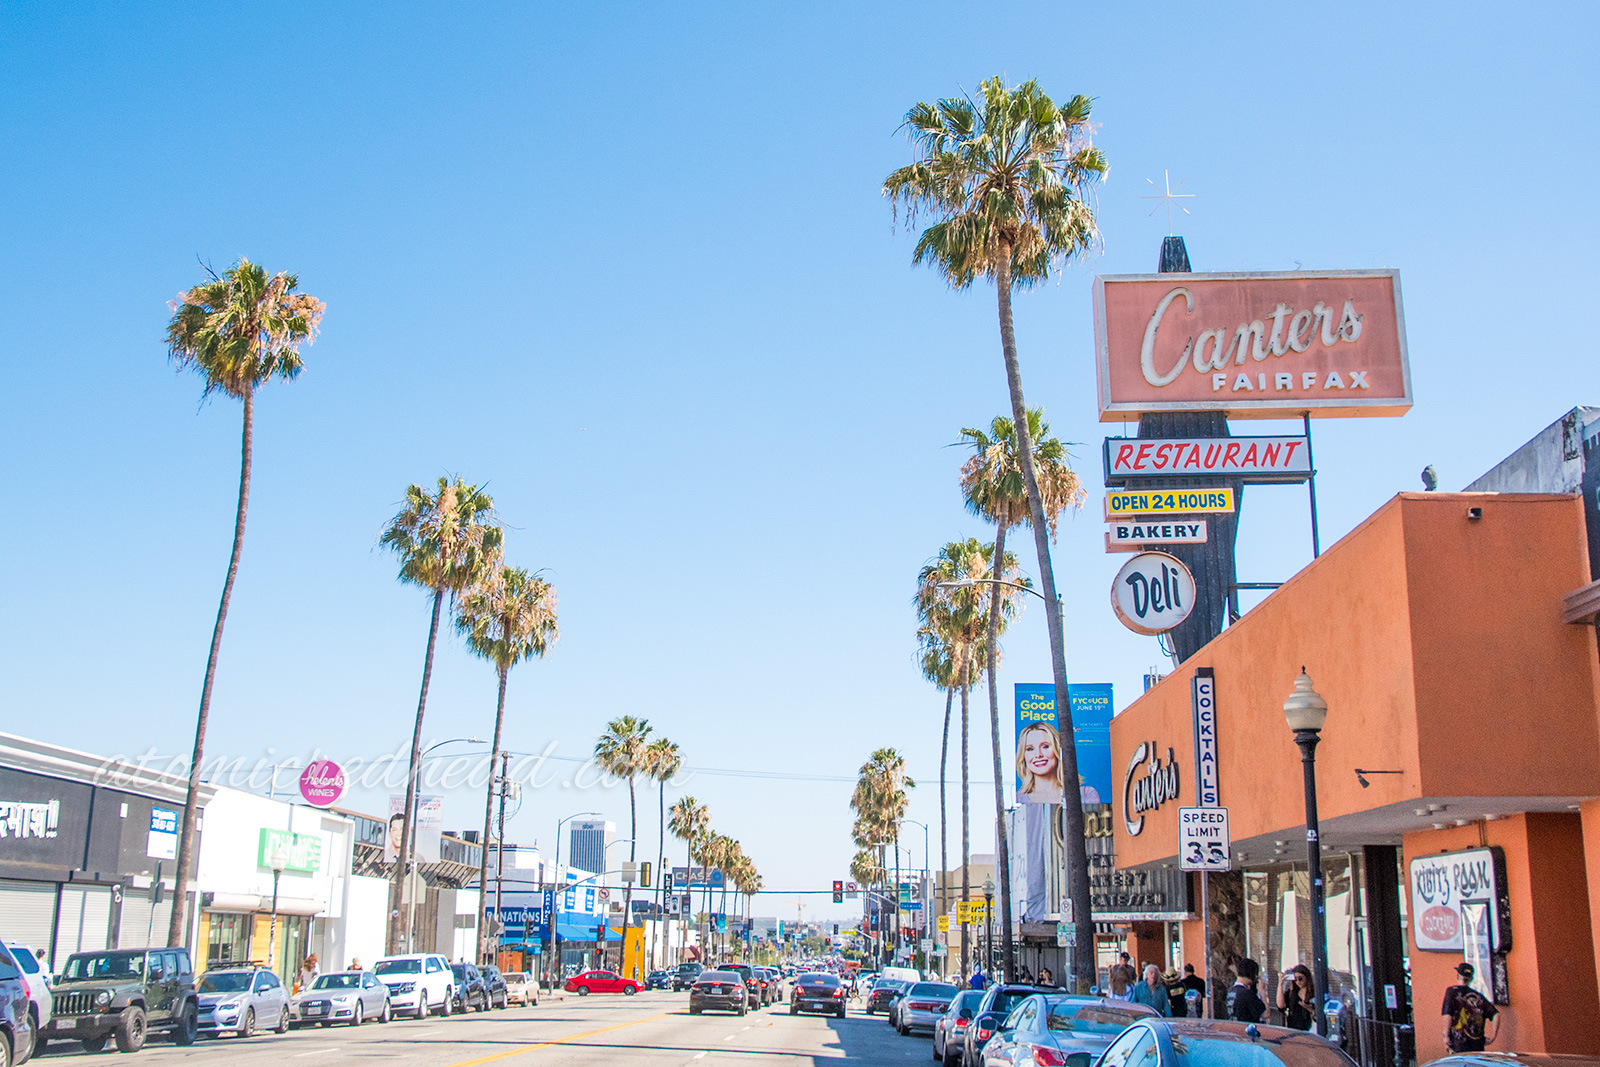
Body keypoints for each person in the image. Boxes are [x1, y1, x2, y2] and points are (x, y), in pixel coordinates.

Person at [1442, 963, 1498, 1052]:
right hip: (1477, 1045)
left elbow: (1447, 1014)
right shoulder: (1478, 997)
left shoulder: (1452, 991)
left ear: (1458, 976)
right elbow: (1496, 1014)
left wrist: (1446, 1036)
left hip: (1458, 1044)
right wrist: (1492, 1038)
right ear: (1471, 979)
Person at [1016, 723, 1065, 804]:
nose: (1038, 755)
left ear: (1057, 749)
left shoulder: (1085, 794)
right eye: (1030, 749)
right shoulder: (1021, 798)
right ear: (1023, 755)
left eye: (1045, 746)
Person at [1227, 958, 1266, 1023]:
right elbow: (1265, 1014)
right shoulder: (1247, 994)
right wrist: (1262, 992)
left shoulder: (1231, 991)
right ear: (1251, 975)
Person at [1277, 964, 1314, 1030]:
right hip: (1293, 1028)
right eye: (1295, 979)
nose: (1298, 982)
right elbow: (1281, 1005)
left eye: (1300, 978)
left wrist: (1309, 1008)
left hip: (1310, 1029)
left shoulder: (1313, 993)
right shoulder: (1292, 993)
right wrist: (1280, 984)